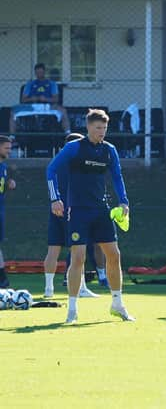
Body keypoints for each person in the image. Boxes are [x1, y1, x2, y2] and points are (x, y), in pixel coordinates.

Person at [47, 109, 134, 323]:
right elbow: (51, 170)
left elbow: (117, 176)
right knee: (78, 258)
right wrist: (55, 198)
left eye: (104, 128)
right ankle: (72, 310)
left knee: (114, 255)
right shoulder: (73, 148)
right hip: (77, 211)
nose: (101, 132)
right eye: (97, 128)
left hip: (101, 210)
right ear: (88, 127)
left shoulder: (109, 150)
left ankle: (117, 303)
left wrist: (124, 201)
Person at [43, 133, 101, 298]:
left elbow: (51, 181)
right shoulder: (78, 163)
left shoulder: (56, 163)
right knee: (78, 251)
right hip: (74, 210)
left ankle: (48, 289)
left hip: (56, 209)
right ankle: (81, 288)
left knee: (53, 250)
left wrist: (55, 200)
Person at [9, 63, 71, 134]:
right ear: (35, 73)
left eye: (41, 72)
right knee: (13, 111)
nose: (39, 74)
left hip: (47, 107)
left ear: (44, 72)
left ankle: (68, 134)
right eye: (37, 73)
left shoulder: (52, 84)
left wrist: (45, 99)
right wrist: (32, 99)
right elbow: (23, 100)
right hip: (31, 107)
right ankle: (12, 137)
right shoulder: (30, 84)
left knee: (63, 110)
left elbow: (56, 99)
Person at [0, 136, 17, 288]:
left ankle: (2, 278)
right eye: (6, 148)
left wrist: (8, 185)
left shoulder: (3, 167)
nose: (9, 151)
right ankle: (2, 278)